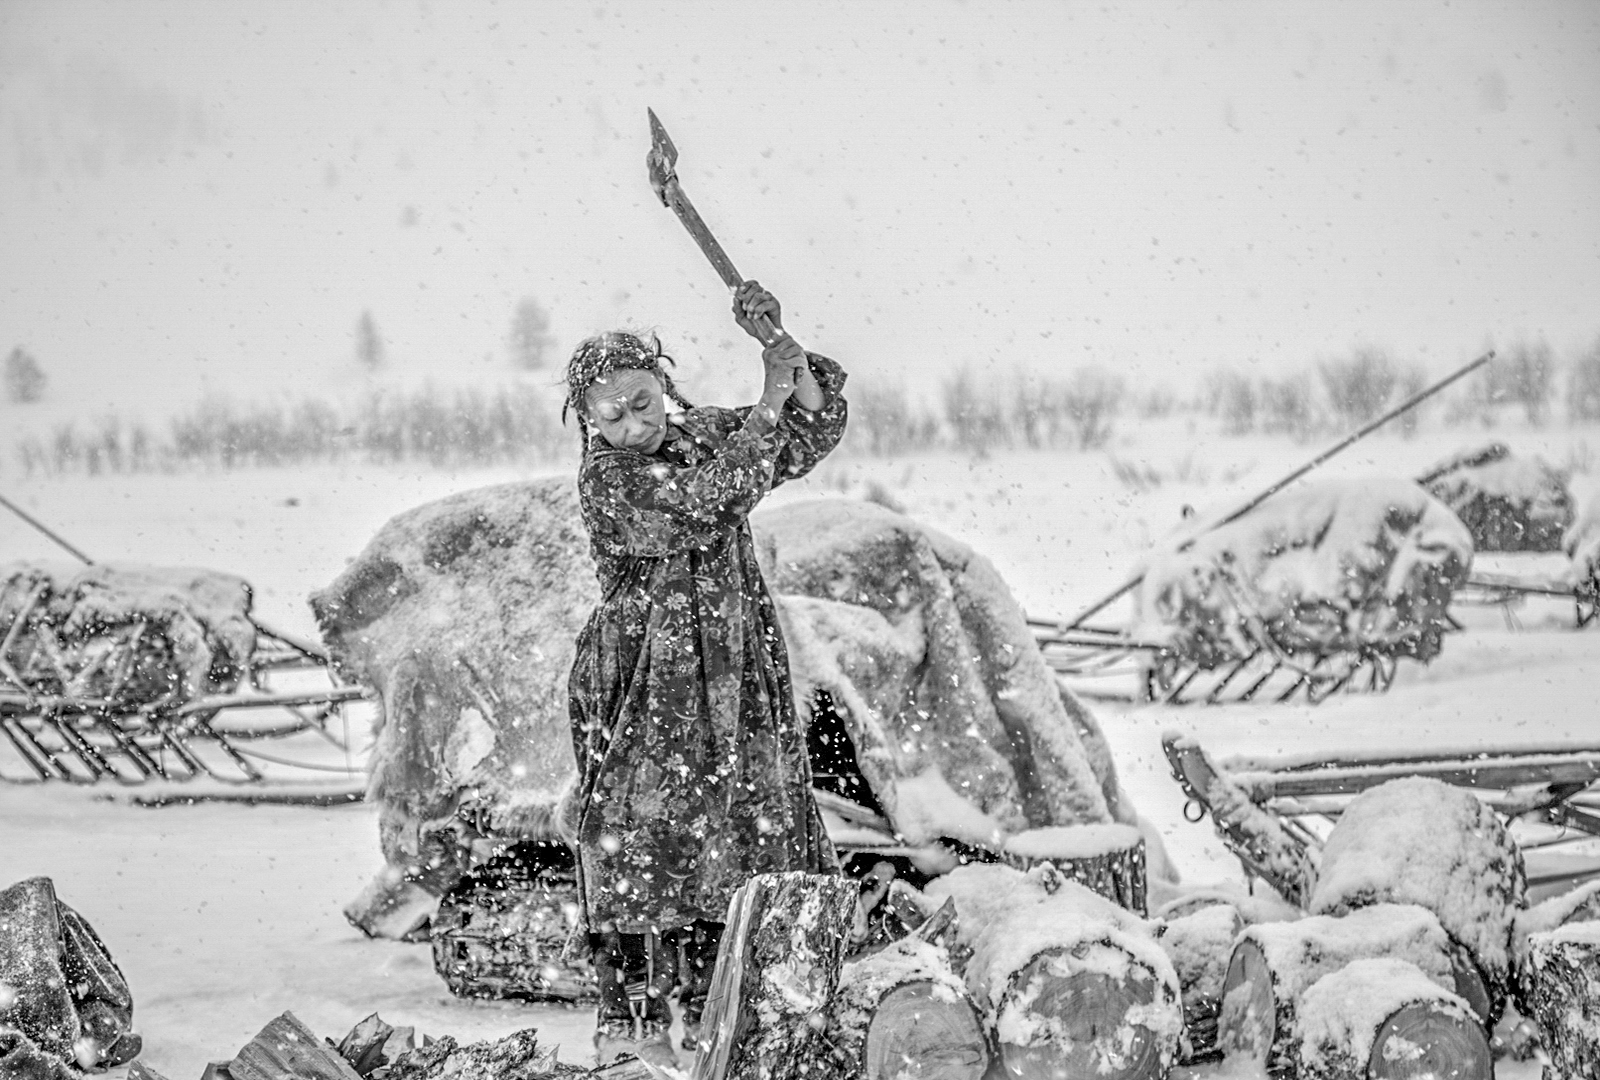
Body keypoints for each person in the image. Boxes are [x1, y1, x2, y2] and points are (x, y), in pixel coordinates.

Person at [562, 281, 848, 1066]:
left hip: (733, 667)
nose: (633, 425)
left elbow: (806, 432)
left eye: (643, 402)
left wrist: (784, 353)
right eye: (611, 415)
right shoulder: (608, 482)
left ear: (664, 386)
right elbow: (705, 504)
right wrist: (765, 404)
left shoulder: (703, 435)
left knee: (746, 820)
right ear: (586, 423)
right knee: (639, 833)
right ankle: (635, 1023)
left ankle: (737, 1007)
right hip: (646, 674)